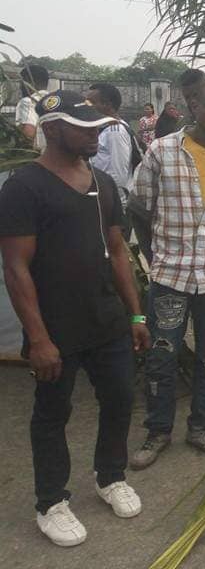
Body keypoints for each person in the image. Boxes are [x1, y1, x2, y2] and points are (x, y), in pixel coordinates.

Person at [0, 90, 151, 546]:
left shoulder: (102, 182)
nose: (94, 133)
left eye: (97, 127)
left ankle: (110, 476)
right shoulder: (24, 187)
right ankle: (51, 502)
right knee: (52, 414)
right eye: (82, 127)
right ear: (51, 128)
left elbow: (119, 250)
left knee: (121, 399)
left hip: (106, 320)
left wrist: (136, 314)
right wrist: (39, 338)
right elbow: (16, 267)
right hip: (56, 326)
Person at [129, 82, 205, 468]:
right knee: (162, 356)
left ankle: (202, 427)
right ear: (194, 106)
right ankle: (158, 431)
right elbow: (139, 208)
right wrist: (156, 256)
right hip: (171, 276)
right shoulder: (162, 151)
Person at [86, 83, 138, 211]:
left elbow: (119, 173)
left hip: (112, 204)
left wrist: (115, 206)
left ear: (107, 105)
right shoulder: (104, 128)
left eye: (92, 102)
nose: (87, 106)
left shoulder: (115, 131)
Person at [15, 64, 50, 150]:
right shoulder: (52, 100)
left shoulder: (28, 102)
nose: (20, 87)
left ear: (28, 82)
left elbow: (28, 135)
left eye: (21, 82)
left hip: (36, 156)